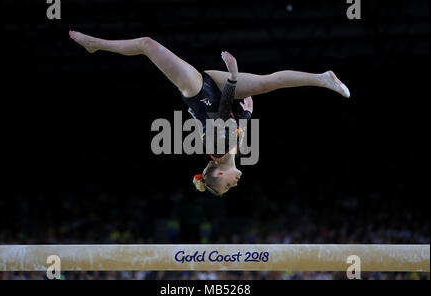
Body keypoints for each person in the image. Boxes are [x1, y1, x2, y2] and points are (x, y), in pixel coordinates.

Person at [69, 31, 350, 195]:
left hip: (197, 89)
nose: (234, 186)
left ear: (217, 174)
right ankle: (322, 78)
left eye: (226, 187)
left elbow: (224, 108)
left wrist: (234, 75)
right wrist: (248, 115)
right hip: (213, 91)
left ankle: (96, 45)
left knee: (147, 45)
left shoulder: (216, 148)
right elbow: (233, 123)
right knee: (267, 83)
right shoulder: (230, 154)